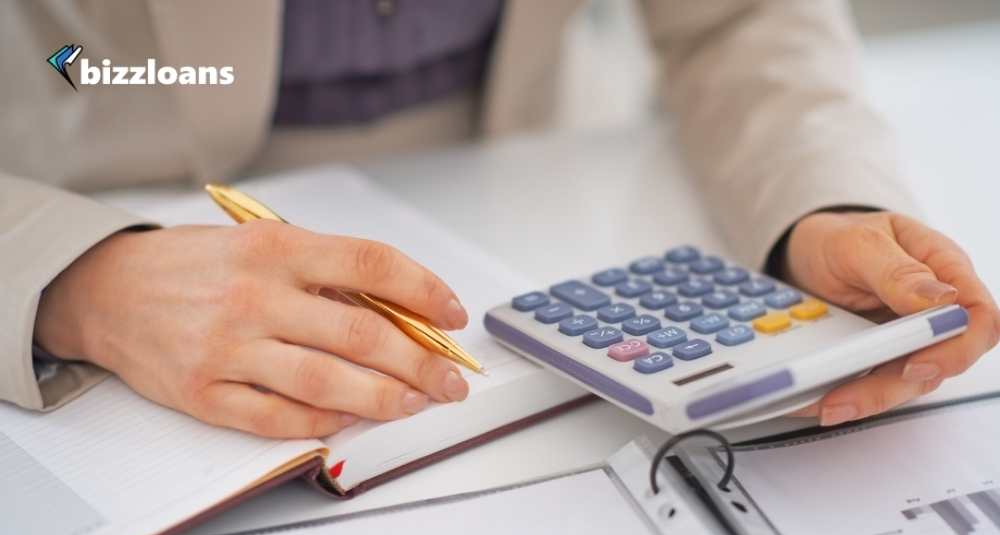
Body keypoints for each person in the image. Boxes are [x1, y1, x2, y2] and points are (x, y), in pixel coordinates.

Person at [2, 0, 997, 438]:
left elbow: (737, 16)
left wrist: (817, 200)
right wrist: (78, 282)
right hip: (99, 186)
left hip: (543, 188)